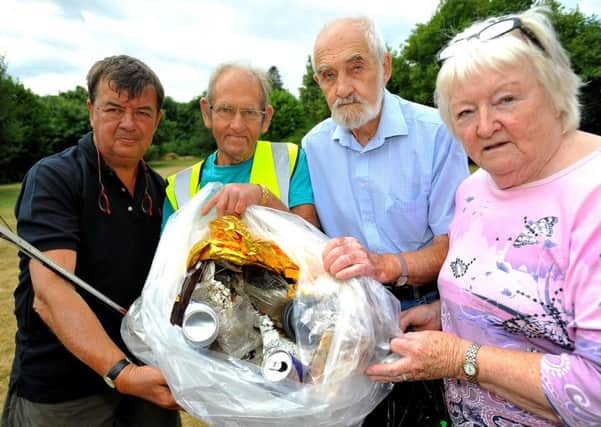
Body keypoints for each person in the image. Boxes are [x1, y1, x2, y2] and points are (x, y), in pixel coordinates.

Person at [365, 6, 601, 426]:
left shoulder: (591, 195)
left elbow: (595, 389)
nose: (486, 125)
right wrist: (448, 315)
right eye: (465, 112)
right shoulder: (474, 190)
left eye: (505, 99)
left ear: (555, 91)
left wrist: (459, 357)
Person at [302, 16, 469, 426]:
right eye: (327, 75)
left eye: (355, 67)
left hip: (430, 314)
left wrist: (387, 266)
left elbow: (458, 245)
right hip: (350, 325)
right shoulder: (312, 147)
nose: (341, 88)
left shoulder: (436, 133)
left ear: (386, 67)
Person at [1, 55, 180, 427]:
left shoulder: (161, 190)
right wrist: (122, 373)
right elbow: (51, 294)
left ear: (158, 120)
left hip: (146, 378)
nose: (128, 123)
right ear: (91, 110)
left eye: (143, 112)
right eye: (113, 108)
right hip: (63, 393)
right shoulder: (54, 177)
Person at [162, 63, 318, 227]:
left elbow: (310, 239)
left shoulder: (290, 160)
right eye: (225, 110)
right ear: (206, 113)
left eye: (250, 112)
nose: (237, 125)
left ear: (266, 119)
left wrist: (263, 197)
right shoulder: (178, 188)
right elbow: (170, 251)